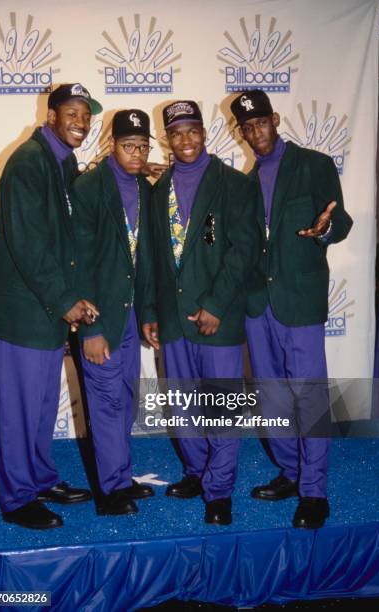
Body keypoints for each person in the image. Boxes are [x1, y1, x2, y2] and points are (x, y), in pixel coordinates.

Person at [0, 83, 102, 530]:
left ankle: (40, 477)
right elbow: (29, 242)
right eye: (72, 113)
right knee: (17, 408)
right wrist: (66, 300)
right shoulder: (29, 162)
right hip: (22, 312)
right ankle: (17, 499)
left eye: (87, 115)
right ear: (50, 115)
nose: (81, 122)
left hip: (44, 312)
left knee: (40, 404)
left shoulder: (63, 162)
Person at [230, 89, 353, 529]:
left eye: (260, 122)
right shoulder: (243, 183)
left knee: (309, 394)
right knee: (271, 395)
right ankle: (291, 472)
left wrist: (325, 229)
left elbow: (341, 220)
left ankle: (315, 492)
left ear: (275, 119)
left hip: (299, 301)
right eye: (246, 127)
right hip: (257, 304)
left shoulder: (314, 164)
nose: (254, 132)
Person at [142, 100, 257, 525]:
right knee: (183, 404)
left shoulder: (233, 184)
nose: (185, 140)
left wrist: (215, 305)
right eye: (176, 133)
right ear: (166, 139)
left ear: (205, 133)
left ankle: (219, 489)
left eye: (193, 131)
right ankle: (196, 471)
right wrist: (151, 310)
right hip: (173, 317)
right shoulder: (158, 191)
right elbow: (153, 257)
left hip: (217, 317)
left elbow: (242, 250)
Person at [70, 109, 155, 516]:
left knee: (125, 399)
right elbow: (79, 263)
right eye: (128, 146)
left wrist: (148, 313)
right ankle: (109, 493)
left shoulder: (146, 189)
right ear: (111, 145)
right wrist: (90, 329)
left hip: (130, 314)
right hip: (99, 318)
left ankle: (120, 477)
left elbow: (148, 260)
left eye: (142, 146)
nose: (136, 153)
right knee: (105, 401)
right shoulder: (88, 188)